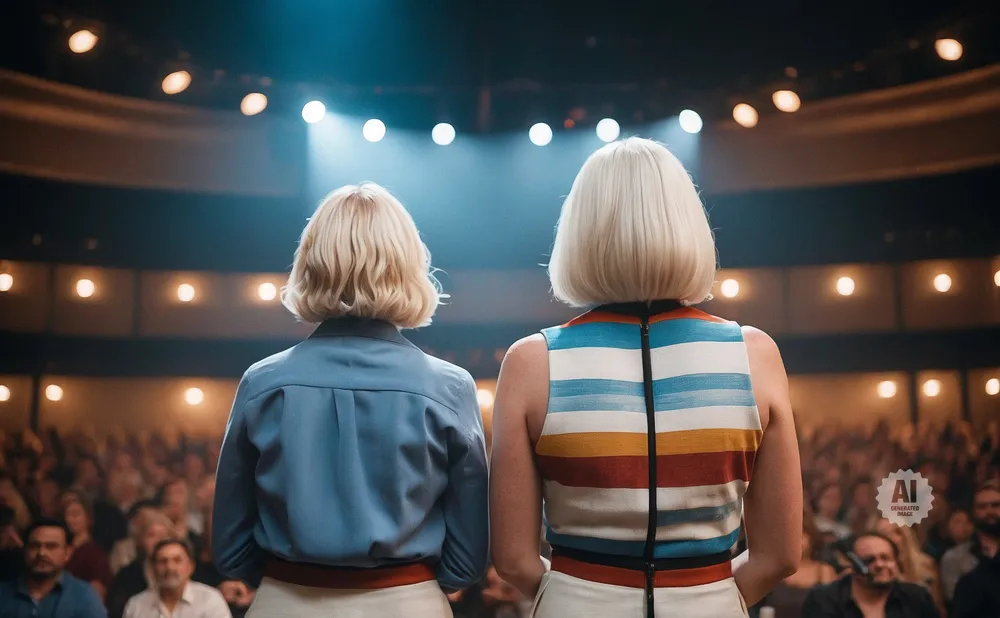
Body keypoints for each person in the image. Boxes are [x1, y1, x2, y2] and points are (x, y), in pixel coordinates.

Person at [489, 137, 802, 618]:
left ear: (579, 230)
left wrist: (574, 595)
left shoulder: (533, 361)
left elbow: (512, 558)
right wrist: (711, 596)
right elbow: (779, 556)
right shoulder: (753, 354)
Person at [213, 182, 490, 617]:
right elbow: (470, 555)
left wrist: (287, 580)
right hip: (408, 603)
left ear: (309, 263)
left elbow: (230, 548)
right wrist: (411, 586)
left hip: (285, 600)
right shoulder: (450, 387)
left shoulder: (262, 382)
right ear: (409, 265)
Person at [801, 532, 939, 617]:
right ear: (852, 564)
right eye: (869, 560)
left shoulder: (916, 597)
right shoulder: (824, 599)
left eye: (885, 558)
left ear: (896, 562)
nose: (879, 565)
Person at [0, 518, 107, 618]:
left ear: (67, 553)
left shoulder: (84, 597)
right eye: (34, 546)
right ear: (25, 550)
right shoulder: (3, 594)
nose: (41, 553)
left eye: (51, 546)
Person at [123, 539, 230, 618]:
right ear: (153, 569)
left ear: (191, 567)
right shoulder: (137, 605)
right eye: (163, 561)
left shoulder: (210, 600)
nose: (170, 568)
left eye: (177, 560)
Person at [940, 481, 1000, 603]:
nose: (989, 511)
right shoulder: (954, 558)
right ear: (973, 512)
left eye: (995, 505)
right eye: (982, 507)